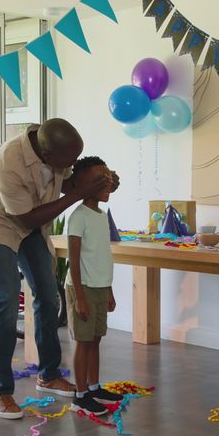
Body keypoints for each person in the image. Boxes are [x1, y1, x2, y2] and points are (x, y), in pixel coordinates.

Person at [0, 119, 117, 420]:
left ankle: (48, 373)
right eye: (69, 162)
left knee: (49, 295)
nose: (72, 165)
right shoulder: (9, 162)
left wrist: (102, 183)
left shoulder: (53, 145)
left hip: (29, 220)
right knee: (7, 298)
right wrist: (77, 194)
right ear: (48, 155)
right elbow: (25, 220)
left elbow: (71, 183)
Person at [63, 156, 125, 415]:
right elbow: (74, 260)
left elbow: (102, 258)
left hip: (100, 288)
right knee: (83, 341)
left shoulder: (100, 215)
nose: (108, 185)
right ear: (85, 184)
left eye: (108, 179)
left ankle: (94, 386)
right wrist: (79, 296)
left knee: (96, 339)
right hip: (83, 288)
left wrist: (109, 291)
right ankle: (80, 394)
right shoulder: (78, 217)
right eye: (101, 180)